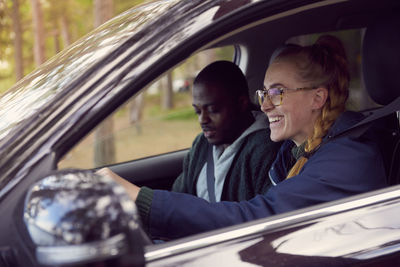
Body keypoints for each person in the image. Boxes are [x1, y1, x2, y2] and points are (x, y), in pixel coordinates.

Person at [98, 35, 387, 240]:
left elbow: (255, 220)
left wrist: (138, 198)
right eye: (264, 92)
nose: (263, 105)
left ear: (317, 98)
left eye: (277, 92)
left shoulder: (348, 157)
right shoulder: (298, 150)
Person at [172, 60, 281, 202]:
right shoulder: (201, 144)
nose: (203, 120)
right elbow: (178, 199)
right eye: (197, 111)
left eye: (213, 110)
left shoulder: (266, 149)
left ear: (241, 103)